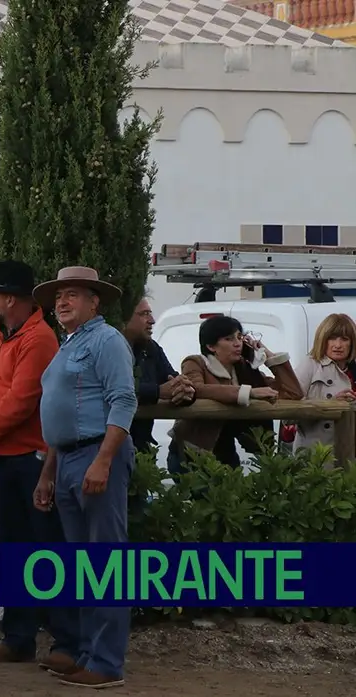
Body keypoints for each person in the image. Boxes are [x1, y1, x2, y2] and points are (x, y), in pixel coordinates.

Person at [0, 261, 80, 667]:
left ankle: (66, 641)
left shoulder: (41, 339)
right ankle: (19, 637)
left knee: (47, 548)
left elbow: (22, 399)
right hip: (0, 458)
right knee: (12, 548)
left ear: (9, 298)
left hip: (31, 459)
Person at [31, 266, 138, 689]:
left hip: (96, 453)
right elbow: (62, 416)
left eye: (72, 294)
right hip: (70, 457)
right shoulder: (69, 345)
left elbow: (123, 401)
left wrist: (104, 460)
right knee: (84, 564)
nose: (62, 302)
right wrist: (48, 473)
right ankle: (89, 653)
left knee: (107, 562)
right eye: (59, 295)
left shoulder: (107, 340)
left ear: (94, 301)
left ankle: (107, 663)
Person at [168, 314, 304, 476]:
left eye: (240, 337)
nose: (237, 343)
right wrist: (248, 392)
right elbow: (197, 389)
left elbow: (293, 392)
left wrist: (267, 354)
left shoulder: (244, 370)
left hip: (226, 452)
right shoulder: (196, 362)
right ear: (211, 346)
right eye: (229, 339)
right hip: (192, 453)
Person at [123, 294, 194, 453]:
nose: (152, 320)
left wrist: (185, 391)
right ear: (124, 317)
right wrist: (158, 391)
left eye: (150, 313)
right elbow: (113, 390)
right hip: (109, 447)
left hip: (143, 449)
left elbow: (173, 380)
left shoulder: (150, 348)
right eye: (144, 314)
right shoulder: (107, 349)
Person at [292, 312, 356, 464]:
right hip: (316, 455)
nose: (338, 345)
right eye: (332, 338)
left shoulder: (353, 369)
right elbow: (289, 414)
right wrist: (331, 405)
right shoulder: (310, 364)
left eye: (344, 339)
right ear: (322, 339)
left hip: (349, 454)